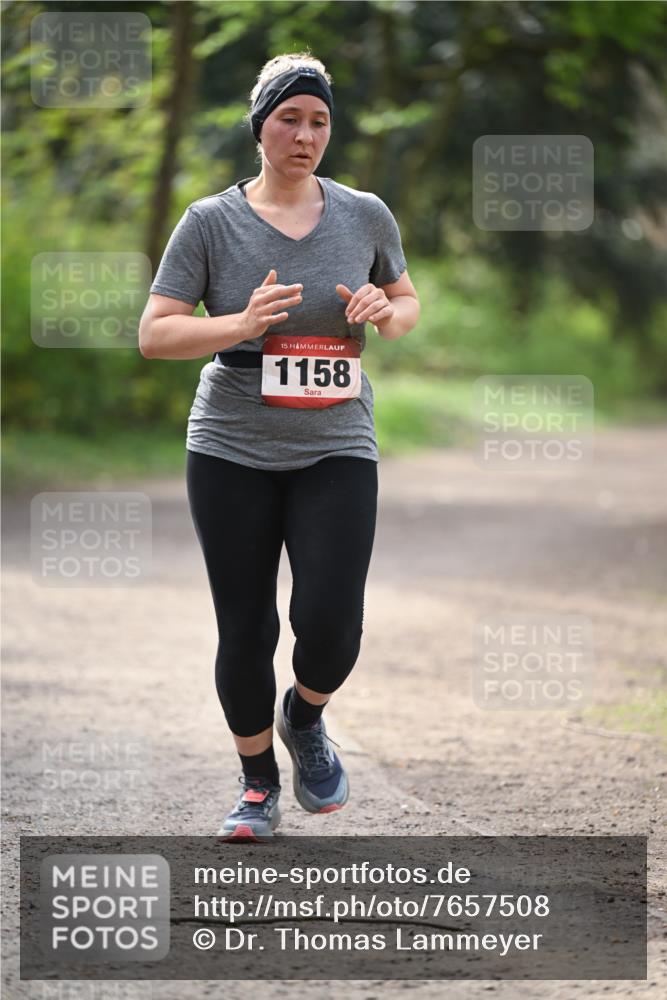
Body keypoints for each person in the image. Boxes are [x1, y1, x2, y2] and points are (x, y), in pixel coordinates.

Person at [139, 52, 420, 840]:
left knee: (332, 623)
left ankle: (304, 713)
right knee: (246, 628)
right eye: (289, 119)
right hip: (230, 445)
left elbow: (405, 301)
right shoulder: (209, 221)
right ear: (259, 126)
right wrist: (239, 323)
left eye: (319, 121)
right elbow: (155, 333)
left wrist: (385, 312)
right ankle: (257, 785)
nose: (304, 136)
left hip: (336, 440)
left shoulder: (364, 214)